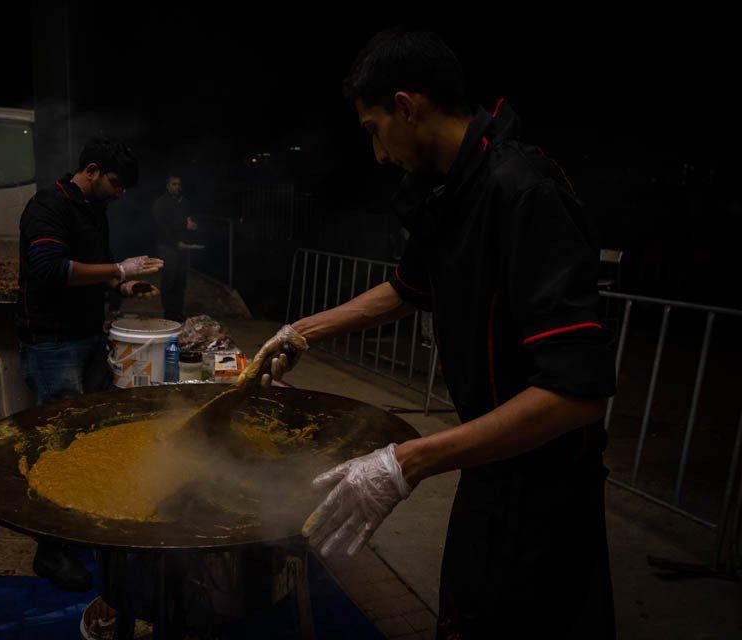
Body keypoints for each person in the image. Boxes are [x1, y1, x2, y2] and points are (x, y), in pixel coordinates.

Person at [254, 29, 616, 638]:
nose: (376, 153)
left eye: (373, 128)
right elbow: (407, 288)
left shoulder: (524, 190)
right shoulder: (448, 188)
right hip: (488, 468)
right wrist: (301, 331)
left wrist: (406, 460)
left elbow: (577, 392)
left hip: (547, 495)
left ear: (406, 106)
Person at [17, 136, 162, 591]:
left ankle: (86, 519)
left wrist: (121, 288)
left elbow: (92, 269)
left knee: (94, 432)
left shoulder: (94, 210)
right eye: (116, 184)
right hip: (52, 343)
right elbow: (50, 268)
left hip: (86, 336)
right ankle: (50, 550)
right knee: (58, 441)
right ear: (93, 170)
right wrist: (120, 270)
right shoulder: (47, 206)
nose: (120, 195)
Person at [152, 174, 198, 322]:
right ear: (167, 185)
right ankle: (169, 313)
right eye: (174, 184)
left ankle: (178, 312)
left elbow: (188, 221)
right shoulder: (161, 203)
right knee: (169, 279)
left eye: (179, 184)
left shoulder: (185, 202)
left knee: (180, 280)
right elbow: (162, 227)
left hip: (182, 246)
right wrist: (175, 241)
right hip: (167, 246)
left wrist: (191, 227)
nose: (177, 187)